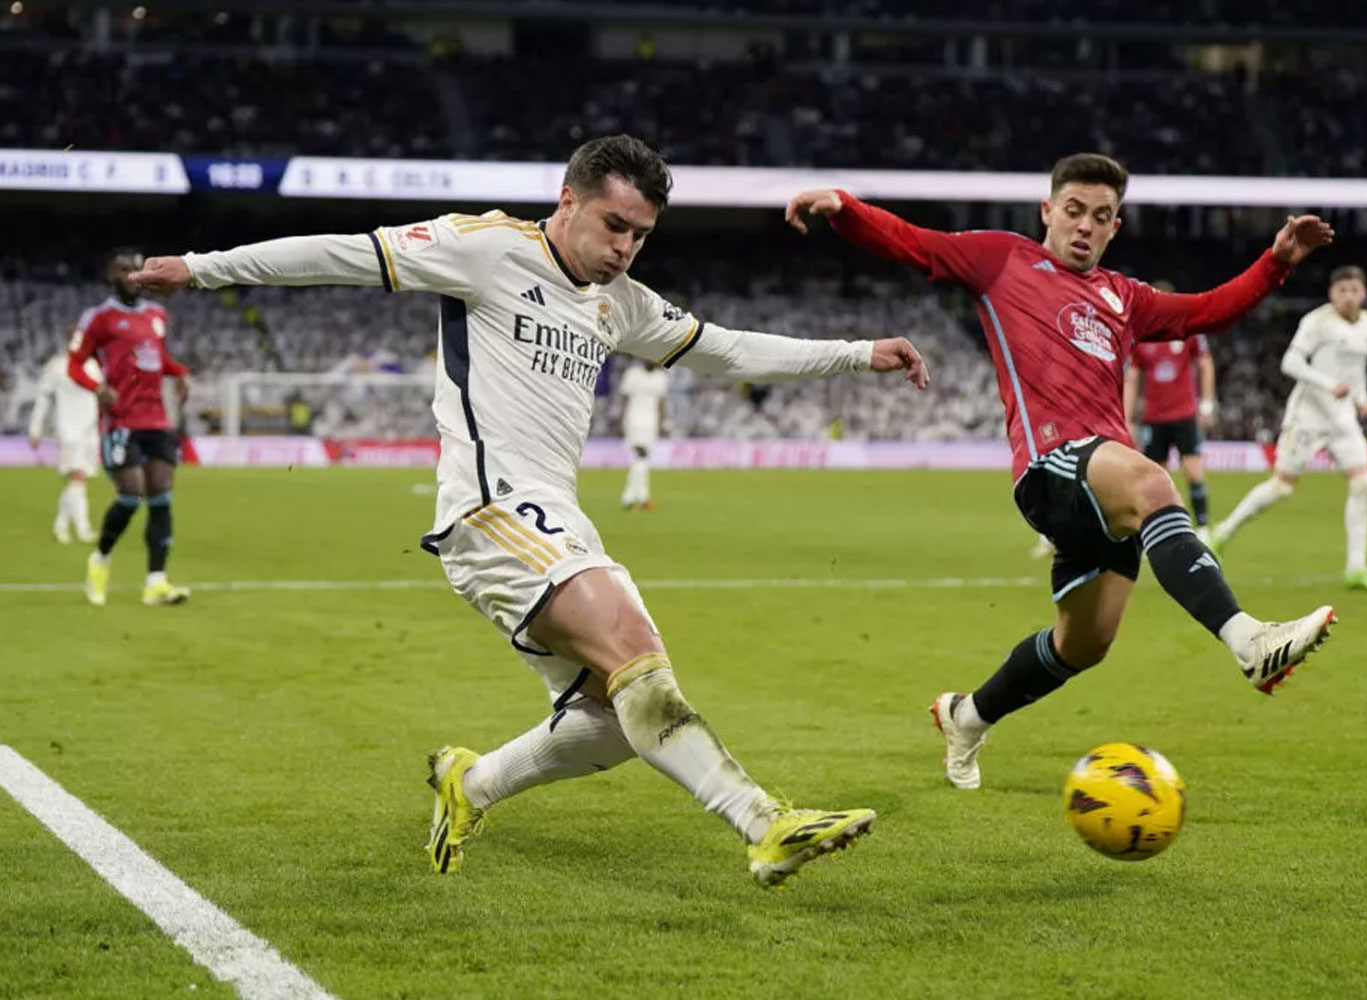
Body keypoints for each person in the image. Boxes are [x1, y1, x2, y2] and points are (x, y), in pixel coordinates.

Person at [130, 134, 929, 886]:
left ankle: (469, 784)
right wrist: (200, 268)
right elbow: (341, 255)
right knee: (634, 650)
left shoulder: (619, 300)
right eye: (614, 225)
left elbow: (726, 348)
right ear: (568, 200)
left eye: (641, 235)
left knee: (617, 718)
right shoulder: (487, 248)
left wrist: (857, 355)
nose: (624, 248)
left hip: (558, 519)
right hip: (488, 511)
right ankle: (764, 823)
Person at [786, 152, 1338, 791]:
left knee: (1084, 645)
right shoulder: (1003, 259)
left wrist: (1278, 262)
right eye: (1073, 211)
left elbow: (1205, 311)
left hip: (1101, 485)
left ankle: (966, 716)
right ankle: (1249, 641)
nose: (1084, 226)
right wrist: (844, 209)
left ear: (1115, 228)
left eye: (1100, 217)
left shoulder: (1123, 297)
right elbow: (915, 244)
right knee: (1156, 483)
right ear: (1048, 211)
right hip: (1051, 467)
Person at [1210, 266, 1367, 591]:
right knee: (1282, 487)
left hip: (1342, 418)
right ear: (1332, 294)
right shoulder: (1317, 322)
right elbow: (1290, 363)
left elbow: (1355, 368)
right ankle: (1223, 533)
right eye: (1342, 290)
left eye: (1354, 290)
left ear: (1364, 293)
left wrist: (1361, 398)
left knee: (1363, 482)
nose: (1348, 296)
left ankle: (1356, 568)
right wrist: (1327, 383)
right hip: (1307, 416)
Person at [69, 248, 192, 607]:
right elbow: (74, 364)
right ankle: (101, 558)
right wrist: (97, 388)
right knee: (130, 494)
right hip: (121, 419)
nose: (131, 275)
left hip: (156, 419)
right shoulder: (99, 318)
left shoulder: (157, 315)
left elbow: (157, 358)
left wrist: (180, 372)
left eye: (137, 269)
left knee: (162, 494)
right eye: (124, 269)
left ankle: (156, 582)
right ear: (111, 274)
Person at [1123, 281, 1218, 539]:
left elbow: (1205, 364)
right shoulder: (1141, 336)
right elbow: (1132, 379)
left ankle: (1203, 528)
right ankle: (1158, 533)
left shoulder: (1187, 331)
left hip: (1185, 413)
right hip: (1154, 418)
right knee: (1155, 480)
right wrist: (1127, 417)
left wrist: (1207, 403)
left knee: (1194, 470)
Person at [28, 345, 102, 544]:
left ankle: (60, 527)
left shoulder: (94, 366)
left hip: (90, 431)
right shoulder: (58, 366)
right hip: (68, 430)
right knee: (77, 476)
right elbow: (43, 398)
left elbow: (99, 397)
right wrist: (36, 428)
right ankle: (83, 529)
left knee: (78, 480)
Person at [617, 359, 669, 509]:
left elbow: (661, 402)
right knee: (641, 455)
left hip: (651, 421)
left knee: (641, 459)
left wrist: (663, 422)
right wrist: (621, 420)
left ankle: (633, 497)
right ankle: (639, 497)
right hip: (633, 418)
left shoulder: (660, 377)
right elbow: (625, 399)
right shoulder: (632, 374)